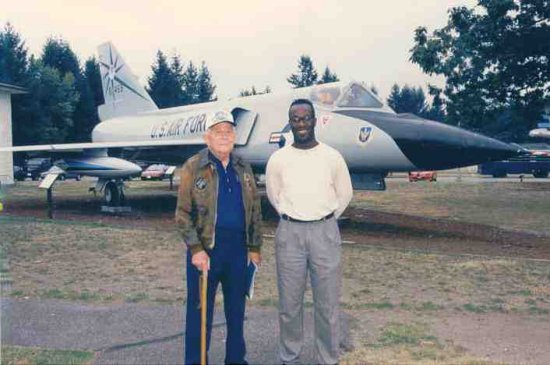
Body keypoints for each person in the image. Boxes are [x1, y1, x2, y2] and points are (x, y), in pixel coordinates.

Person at [266, 99, 353, 364]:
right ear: (290, 122)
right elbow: (274, 194)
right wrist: (293, 215)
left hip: (324, 232)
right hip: (290, 233)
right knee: (289, 305)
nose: (301, 123)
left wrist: (325, 219)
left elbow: (344, 193)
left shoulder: (332, 156)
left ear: (315, 120)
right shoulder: (279, 159)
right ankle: (289, 356)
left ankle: (327, 358)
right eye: (295, 118)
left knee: (326, 305)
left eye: (306, 118)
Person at [175, 110, 262, 365]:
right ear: (207, 137)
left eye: (228, 131)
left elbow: (254, 210)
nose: (224, 136)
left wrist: (255, 248)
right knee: (200, 314)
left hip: (237, 252)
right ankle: (196, 361)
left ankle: (236, 360)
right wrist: (196, 250)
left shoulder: (243, 167)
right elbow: (182, 214)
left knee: (237, 313)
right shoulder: (194, 166)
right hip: (206, 252)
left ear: (234, 135)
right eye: (218, 131)